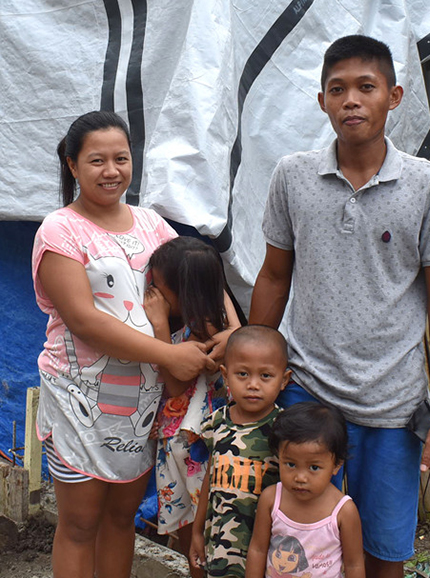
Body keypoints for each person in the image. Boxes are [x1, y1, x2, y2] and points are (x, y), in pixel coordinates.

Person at [249, 35, 430, 578]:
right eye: (337, 89)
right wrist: (247, 370)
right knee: (294, 548)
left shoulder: (428, 185)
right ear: (321, 101)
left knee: (380, 557)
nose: (351, 100)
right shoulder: (293, 175)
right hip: (308, 397)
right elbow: (275, 275)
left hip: (392, 408)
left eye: (365, 87)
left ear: (393, 96)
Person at [33, 111, 217, 578]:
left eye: (121, 158)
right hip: (80, 401)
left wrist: (229, 328)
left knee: (120, 519)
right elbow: (84, 320)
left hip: (140, 404)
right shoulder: (59, 231)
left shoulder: (152, 224)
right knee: (79, 524)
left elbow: (196, 272)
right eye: (97, 160)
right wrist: (169, 354)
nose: (111, 171)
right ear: (72, 165)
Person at [144, 236, 241, 556]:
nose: (153, 291)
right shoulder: (223, 322)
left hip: (190, 447)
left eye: (158, 285)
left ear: (183, 293)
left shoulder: (200, 334)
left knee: (196, 535)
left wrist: (159, 326)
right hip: (191, 446)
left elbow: (175, 386)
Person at [189, 325, 292, 578]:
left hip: (268, 553)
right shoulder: (217, 423)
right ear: (225, 375)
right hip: (220, 547)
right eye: (243, 374)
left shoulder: (284, 431)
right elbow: (210, 480)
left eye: (266, 376)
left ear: (284, 380)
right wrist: (196, 531)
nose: (253, 385)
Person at [245, 402, 366, 578]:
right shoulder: (271, 499)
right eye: (291, 464)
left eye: (314, 467)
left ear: (336, 465)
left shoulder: (343, 511)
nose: (300, 477)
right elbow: (257, 549)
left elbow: (354, 564)